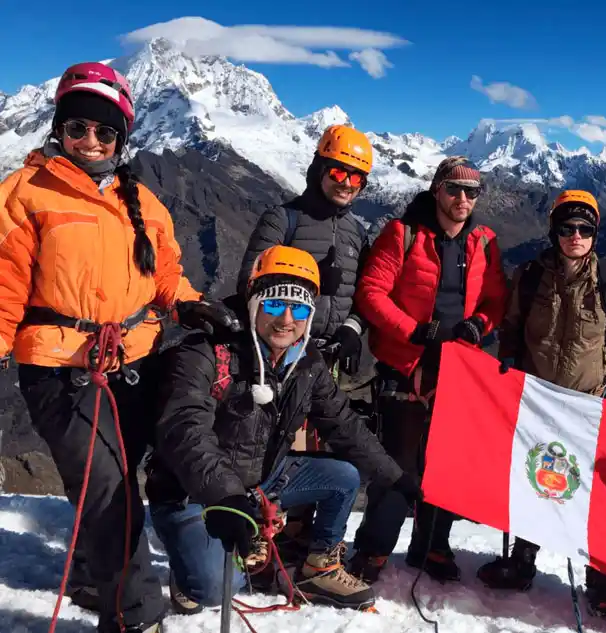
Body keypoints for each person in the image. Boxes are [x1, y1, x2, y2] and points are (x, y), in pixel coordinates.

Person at [0, 61, 238, 633]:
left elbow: (164, 275)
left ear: (121, 138)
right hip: (59, 367)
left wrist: (188, 302)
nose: (90, 141)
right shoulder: (23, 194)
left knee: (119, 475)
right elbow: (4, 285)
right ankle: (135, 617)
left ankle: (89, 575)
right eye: (78, 127)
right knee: (108, 490)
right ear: (58, 127)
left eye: (104, 132)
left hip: (133, 358)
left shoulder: (143, 202)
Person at [146, 245, 421, 614]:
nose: (286, 319)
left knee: (343, 477)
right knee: (215, 589)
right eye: (274, 305)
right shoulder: (206, 352)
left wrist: (396, 478)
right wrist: (226, 498)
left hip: (260, 481)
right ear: (253, 304)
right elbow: (185, 431)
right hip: (194, 492)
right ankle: (187, 571)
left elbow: (343, 423)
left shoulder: (306, 362)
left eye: (300, 309)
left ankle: (318, 567)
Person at [475, 189, 606, 618]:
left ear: (595, 233)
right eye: (567, 228)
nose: (575, 236)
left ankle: (598, 580)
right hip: (536, 402)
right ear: (554, 231)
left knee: (589, 493)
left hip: (586, 408)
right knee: (533, 481)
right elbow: (511, 329)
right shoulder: (529, 277)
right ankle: (521, 562)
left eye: (584, 229)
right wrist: (505, 365)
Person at [346, 156, 508, 583]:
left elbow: (496, 301)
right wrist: (415, 332)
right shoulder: (402, 235)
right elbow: (371, 292)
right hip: (406, 364)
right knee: (398, 464)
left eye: (471, 192)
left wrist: (479, 326)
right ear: (437, 190)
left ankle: (432, 545)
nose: (462, 199)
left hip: (459, 368)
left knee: (449, 464)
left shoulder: (484, 243)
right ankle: (374, 549)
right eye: (454, 189)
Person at [236, 124, 374, 378]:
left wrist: (352, 328)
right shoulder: (282, 219)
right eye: (337, 172)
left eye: (356, 178)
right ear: (320, 170)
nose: (346, 183)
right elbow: (248, 282)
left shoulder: (357, 233)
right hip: (277, 355)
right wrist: (310, 280)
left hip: (330, 359)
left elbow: (367, 293)